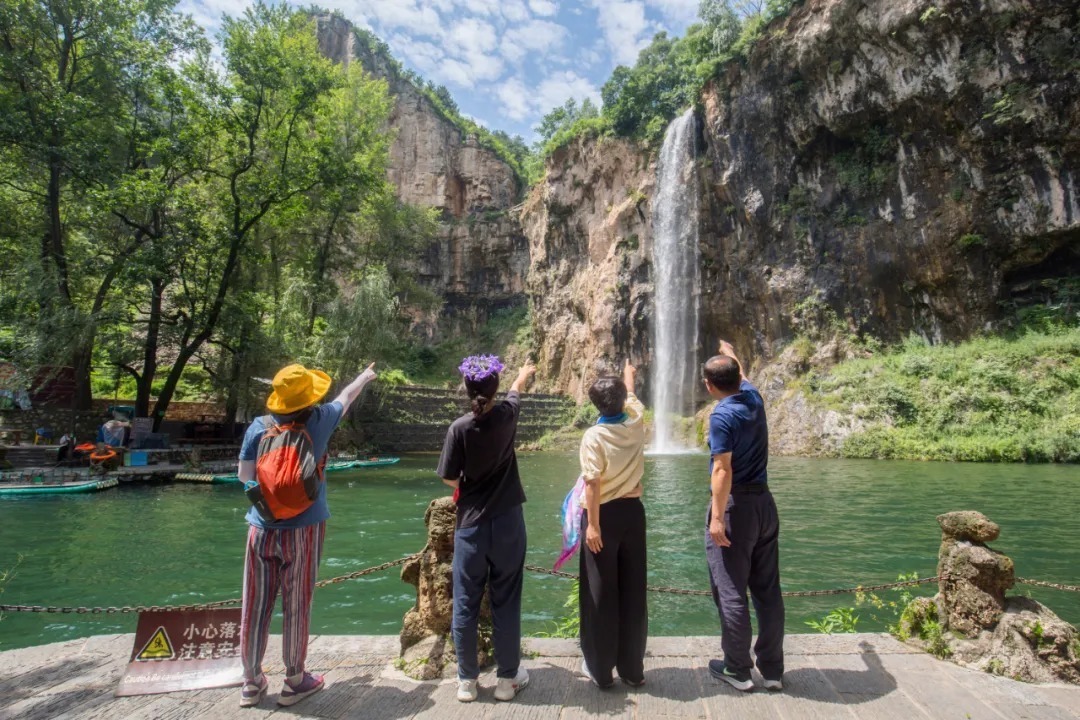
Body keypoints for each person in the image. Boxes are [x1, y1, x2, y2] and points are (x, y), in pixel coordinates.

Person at [237, 362, 377, 709]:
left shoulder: (258, 427)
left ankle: (251, 682)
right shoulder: (319, 421)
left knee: (254, 605)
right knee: (297, 604)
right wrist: (365, 376)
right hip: (306, 528)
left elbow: (244, 476)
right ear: (309, 398)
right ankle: (295, 680)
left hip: (261, 527)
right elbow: (346, 396)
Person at [438, 355, 536, 703]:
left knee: (465, 601)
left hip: (471, 525)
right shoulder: (507, 416)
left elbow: (450, 477)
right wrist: (522, 375)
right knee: (506, 599)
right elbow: (516, 392)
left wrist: (468, 483)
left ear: (466, 389)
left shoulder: (459, 428)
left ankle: (466, 680)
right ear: (494, 389)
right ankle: (508, 679)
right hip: (508, 522)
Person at [703, 340, 784, 692]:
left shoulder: (721, 415)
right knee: (767, 590)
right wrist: (732, 351)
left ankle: (737, 669)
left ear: (709, 386)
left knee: (731, 589)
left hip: (737, 507)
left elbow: (722, 470)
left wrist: (717, 518)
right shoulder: (753, 398)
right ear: (738, 377)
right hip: (765, 505)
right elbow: (743, 374)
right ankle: (772, 670)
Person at [578, 360, 648, 689]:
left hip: (601, 516)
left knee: (600, 593)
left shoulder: (594, 436)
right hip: (633, 513)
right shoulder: (636, 420)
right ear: (622, 401)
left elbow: (591, 483)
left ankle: (601, 670)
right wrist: (629, 375)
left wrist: (592, 527)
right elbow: (631, 396)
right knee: (633, 590)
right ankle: (633, 670)